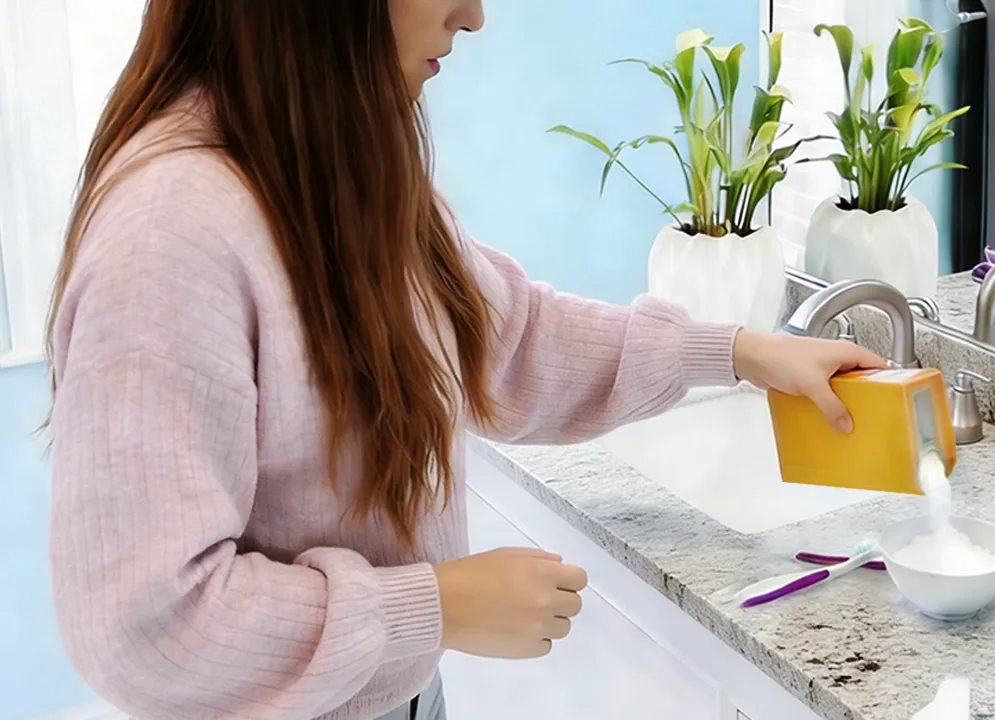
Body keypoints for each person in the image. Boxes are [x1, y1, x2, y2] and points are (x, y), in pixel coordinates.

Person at [44, 2, 885, 719]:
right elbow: (146, 626)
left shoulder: (326, 160)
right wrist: (432, 605)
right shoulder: (169, 236)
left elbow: (504, 339)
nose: (474, 15)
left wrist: (740, 351)